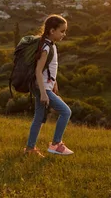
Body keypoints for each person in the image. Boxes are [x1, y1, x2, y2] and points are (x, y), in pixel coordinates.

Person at [24, 14, 73, 156]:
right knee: (66, 111)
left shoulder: (50, 45)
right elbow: (38, 71)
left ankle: (30, 149)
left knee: (38, 118)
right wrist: (44, 92)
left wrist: (54, 81)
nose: (64, 34)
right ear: (52, 31)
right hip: (42, 88)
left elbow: (48, 69)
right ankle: (56, 144)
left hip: (45, 86)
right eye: (62, 31)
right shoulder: (46, 47)